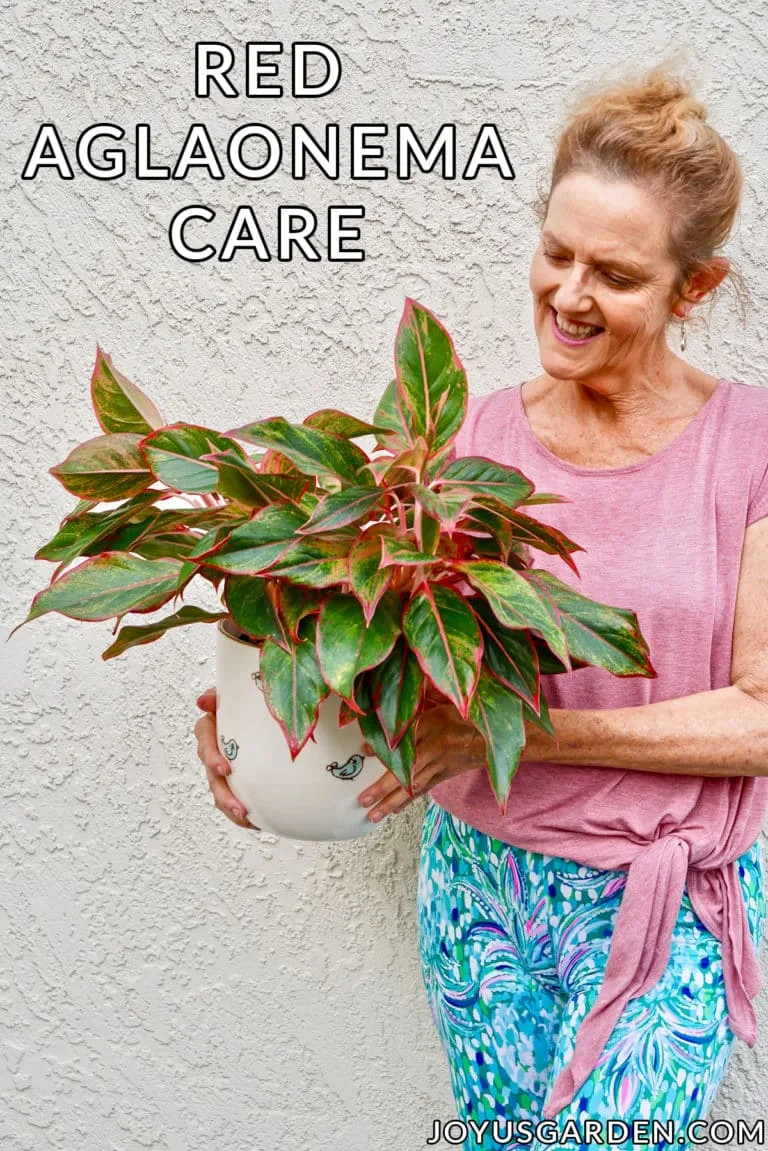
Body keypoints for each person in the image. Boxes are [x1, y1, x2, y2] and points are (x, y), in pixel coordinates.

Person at [194, 62, 768, 1150]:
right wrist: (253, 718)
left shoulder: (752, 444)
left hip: (667, 895)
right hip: (482, 883)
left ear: (694, 289)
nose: (568, 294)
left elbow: (761, 718)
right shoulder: (464, 448)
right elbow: (363, 644)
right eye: (555, 252)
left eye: (617, 274)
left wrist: (515, 732)